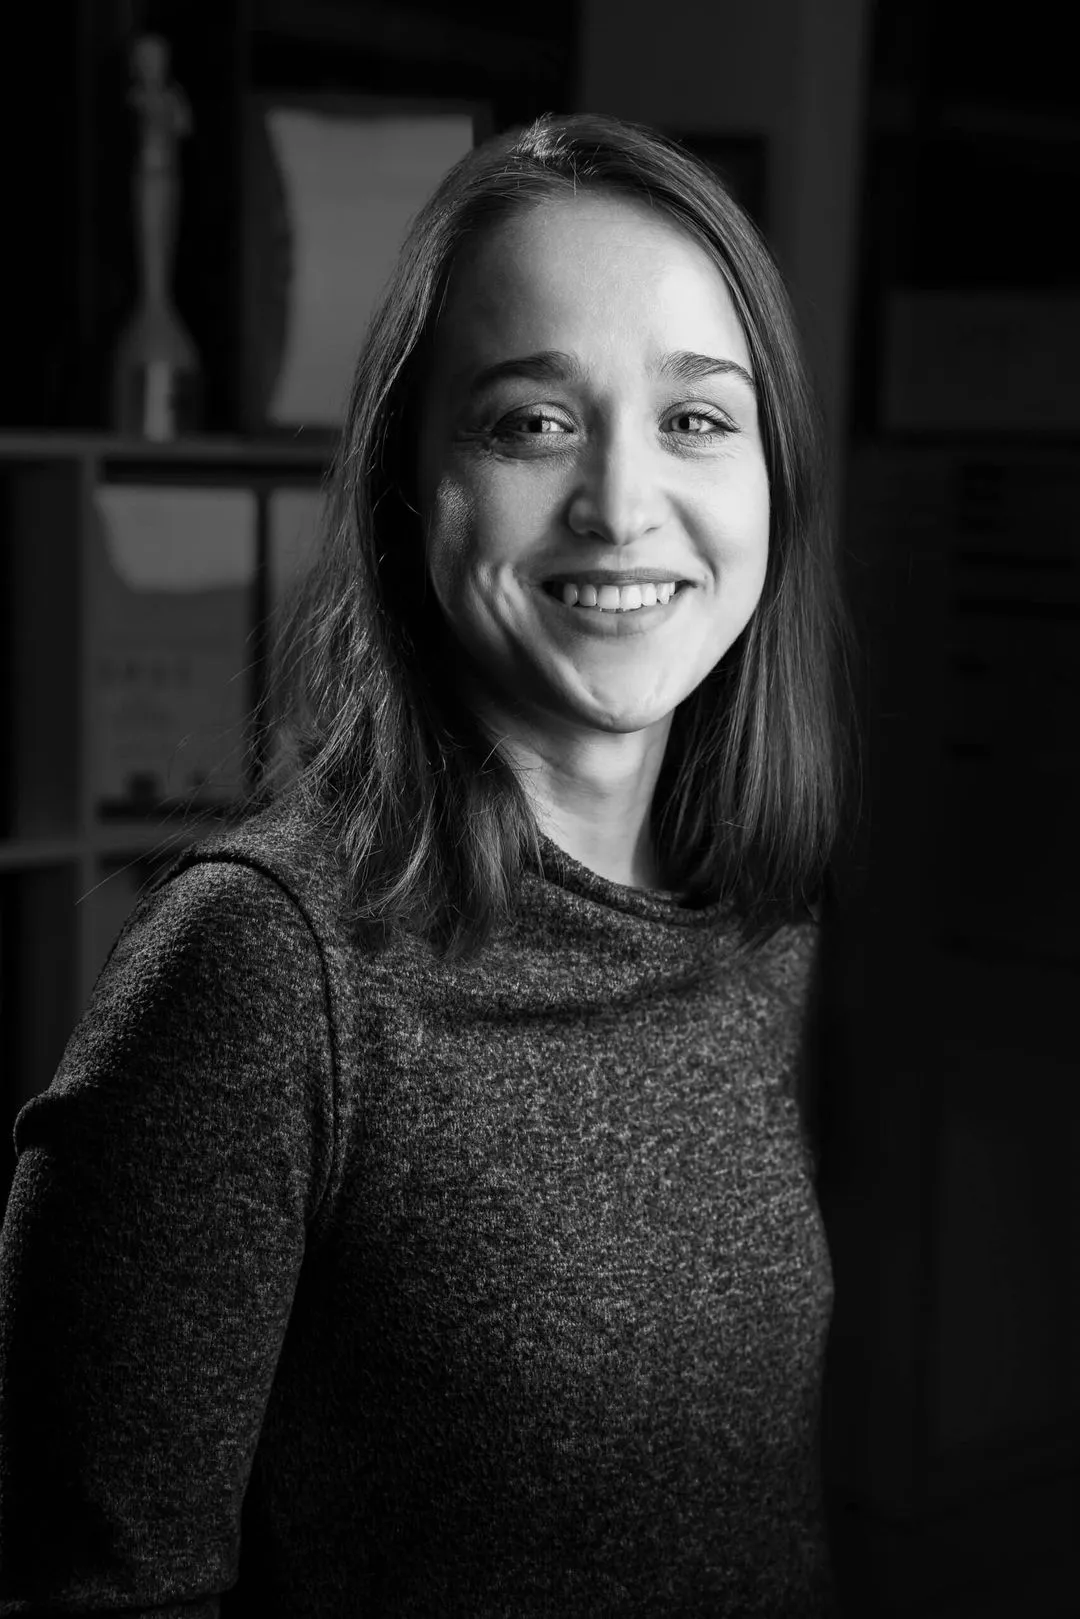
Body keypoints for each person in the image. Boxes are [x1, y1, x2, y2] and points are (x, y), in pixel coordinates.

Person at [0, 112, 858, 1615]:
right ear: (412, 484)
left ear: (773, 483)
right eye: (531, 421)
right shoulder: (260, 970)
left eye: (697, 420)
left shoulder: (748, 921)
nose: (620, 502)